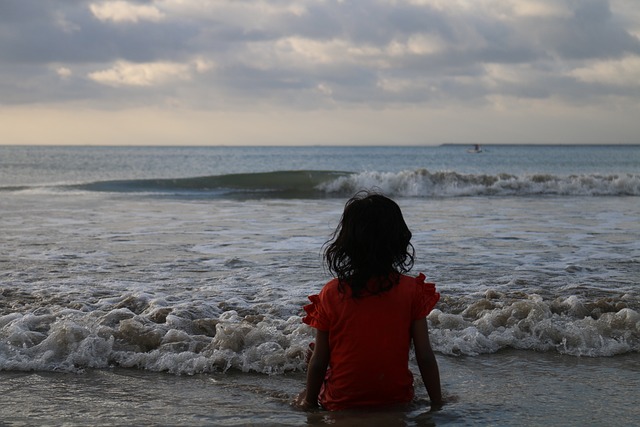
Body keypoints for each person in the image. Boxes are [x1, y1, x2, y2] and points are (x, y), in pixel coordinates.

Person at [296, 191, 443, 411]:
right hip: (397, 399)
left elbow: (319, 361)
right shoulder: (411, 290)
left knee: (314, 355)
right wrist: (437, 403)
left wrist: (308, 402)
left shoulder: (331, 293)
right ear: (399, 240)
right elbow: (424, 356)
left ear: (347, 243)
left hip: (341, 403)